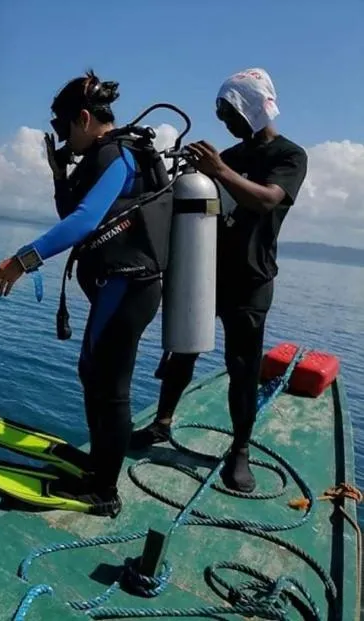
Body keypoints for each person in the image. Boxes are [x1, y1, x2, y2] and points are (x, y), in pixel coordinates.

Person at [0, 71, 173, 516]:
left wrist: (22, 260)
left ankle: (103, 490)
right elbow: (75, 210)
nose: (64, 139)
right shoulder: (113, 156)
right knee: (95, 374)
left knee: (109, 385)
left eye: (64, 128)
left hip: (126, 288)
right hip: (124, 287)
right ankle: (99, 467)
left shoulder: (117, 155)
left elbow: (83, 222)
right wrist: (59, 175)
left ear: (85, 118)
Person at [130, 68, 308, 493]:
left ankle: (240, 450)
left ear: (249, 107)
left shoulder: (289, 156)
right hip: (205, 270)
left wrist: (219, 169)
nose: (224, 120)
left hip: (251, 279)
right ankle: (162, 422)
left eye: (229, 111)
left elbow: (266, 201)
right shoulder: (230, 154)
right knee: (182, 349)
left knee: (242, 366)